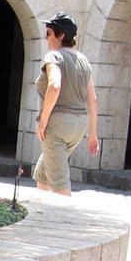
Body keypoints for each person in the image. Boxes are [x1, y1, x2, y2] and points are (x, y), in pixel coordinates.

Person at [33, 12, 99, 196]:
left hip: (58, 125)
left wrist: (43, 121)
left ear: (61, 36)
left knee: (60, 183)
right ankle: (42, 215)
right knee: (43, 173)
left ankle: (68, 221)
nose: (46, 38)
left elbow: (54, 86)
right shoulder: (83, 60)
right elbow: (92, 99)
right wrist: (92, 134)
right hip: (78, 126)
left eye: (49, 33)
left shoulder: (54, 57)